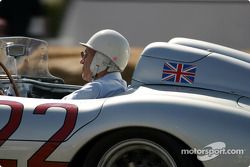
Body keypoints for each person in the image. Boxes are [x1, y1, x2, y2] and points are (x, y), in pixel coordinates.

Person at [63, 29, 130, 99]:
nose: (82, 61)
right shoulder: (121, 86)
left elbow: (60, 106)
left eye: (86, 54)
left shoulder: (96, 89)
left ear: (101, 60)